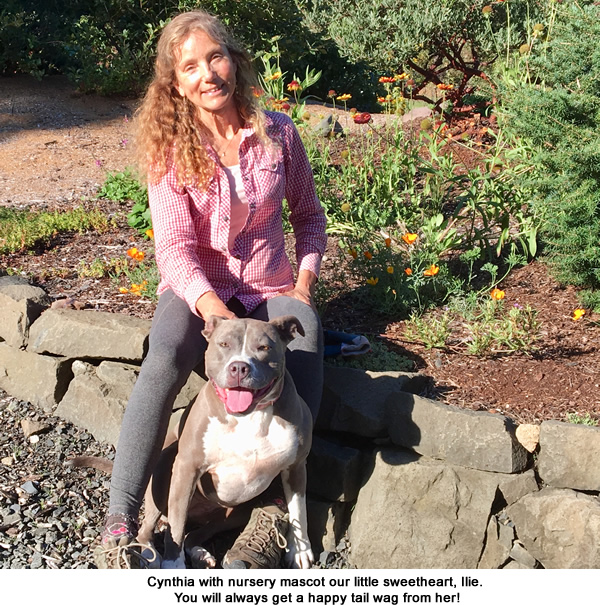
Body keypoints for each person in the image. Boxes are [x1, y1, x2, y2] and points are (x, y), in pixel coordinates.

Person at [94, 10, 327, 569]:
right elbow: (174, 251)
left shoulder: (280, 135)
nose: (208, 75)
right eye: (190, 67)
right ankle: (121, 518)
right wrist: (216, 316)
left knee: (309, 336)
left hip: (270, 286)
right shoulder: (170, 152)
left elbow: (310, 219)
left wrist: (302, 284)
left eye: (215, 57)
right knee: (165, 353)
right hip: (197, 290)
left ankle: (274, 514)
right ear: (176, 84)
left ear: (235, 59)